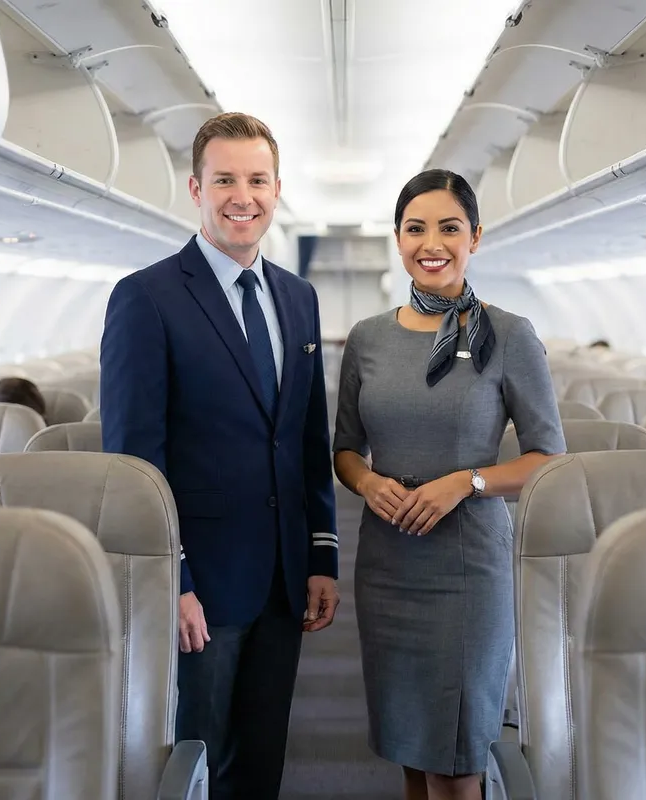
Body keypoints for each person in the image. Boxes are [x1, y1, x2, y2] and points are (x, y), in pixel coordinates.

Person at [99, 112, 339, 800]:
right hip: (199, 585)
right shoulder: (146, 298)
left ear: (277, 188)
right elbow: (134, 463)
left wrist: (321, 556)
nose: (244, 196)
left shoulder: (297, 298)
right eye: (226, 179)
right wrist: (170, 582)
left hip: (282, 580)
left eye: (258, 180)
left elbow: (305, 439)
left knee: (260, 767)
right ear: (196, 188)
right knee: (193, 767)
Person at [333, 169, 566, 800]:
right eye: (415, 228)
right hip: (387, 565)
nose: (430, 242)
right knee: (412, 749)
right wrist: (368, 482)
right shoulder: (368, 339)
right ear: (398, 239)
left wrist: (468, 481)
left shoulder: (511, 335)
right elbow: (346, 450)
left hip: (468, 566)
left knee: (459, 760)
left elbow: (548, 457)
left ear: (475, 237)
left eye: (449, 227)